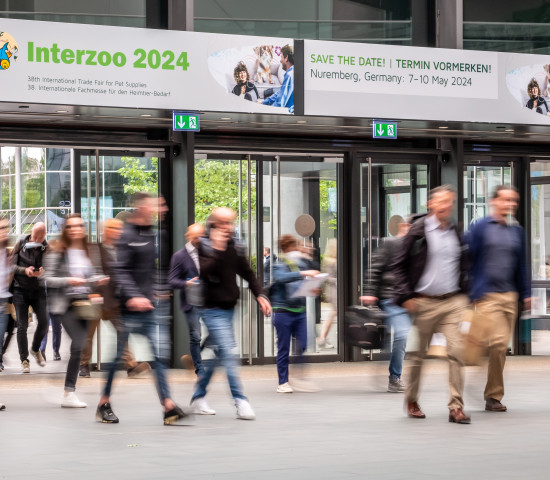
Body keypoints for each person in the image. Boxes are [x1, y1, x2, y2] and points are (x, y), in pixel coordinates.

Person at [96, 192, 188, 425]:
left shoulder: (154, 234)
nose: (162, 208)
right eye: (157, 205)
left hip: (149, 307)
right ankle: (103, 403)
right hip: (128, 307)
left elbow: (149, 269)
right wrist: (135, 296)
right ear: (141, 208)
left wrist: (157, 289)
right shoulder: (127, 235)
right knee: (119, 358)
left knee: (158, 356)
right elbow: (121, 270)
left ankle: (168, 405)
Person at [393, 185, 471, 424]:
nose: (447, 206)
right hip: (424, 303)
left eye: (450, 202)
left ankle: (456, 407)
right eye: (442, 202)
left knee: (457, 353)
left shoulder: (455, 232)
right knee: (418, 356)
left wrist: (466, 293)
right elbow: (398, 266)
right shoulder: (417, 232)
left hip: (452, 301)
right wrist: (406, 296)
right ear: (431, 204)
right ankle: (412, 399)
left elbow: (464, 265)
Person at [189, 207, 271, 419]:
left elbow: (247, 273)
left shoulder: (236, 245)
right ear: (213, 225)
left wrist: (260, 294)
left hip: (228, 309)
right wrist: (217, 248)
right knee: (227, 352)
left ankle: (198, 397)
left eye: (231, 223)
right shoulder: (203, 245)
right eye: (224, 223)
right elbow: (205, 273)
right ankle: (240, 400)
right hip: (210, 309)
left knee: (219, 356)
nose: (229, 227)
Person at [466, 185, 530, 413]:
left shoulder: (517, 231)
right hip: (487, 295)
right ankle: (492, 394)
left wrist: (526, 293)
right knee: (498, 343)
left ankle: (491, 392)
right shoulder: (480, 227)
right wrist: (471, 291)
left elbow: (521, 264)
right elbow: (468, 259)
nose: (511, 205)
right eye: (506, 200)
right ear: (494, 201)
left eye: (514, 201)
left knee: (499, 347)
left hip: (510, 296)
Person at [42, 215, 107, 408]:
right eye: (71, 227)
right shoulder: (58, 251)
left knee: (80, 346)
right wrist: (69, 280)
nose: (75, 229)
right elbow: (47, 279)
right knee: (79, 343)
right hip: (66, 304)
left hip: (85, 303)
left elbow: (93, 273)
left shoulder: (89, 250)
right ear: (66, 229)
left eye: (78, 226)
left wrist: (99, 279)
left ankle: (66, 390)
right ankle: (69, 392)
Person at [79, 218, 151, 378]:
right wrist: (92, 291)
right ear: (106, 230)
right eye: (114, 228)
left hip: (114, 300)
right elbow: (88, 272)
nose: (119, 231)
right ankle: (84, 364)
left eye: (120, 228)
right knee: (88, 335)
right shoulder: (95, 249)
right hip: (96, 299)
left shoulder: (121, 250)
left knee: (122, 331)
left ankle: (131, 365)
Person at [360, 217, 412, 393]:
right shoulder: (390, 244)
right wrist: (369, 291)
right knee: (402, 334)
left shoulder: (419, 248)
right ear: (404, 227)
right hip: (391, 296)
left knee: (397, 336)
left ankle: (392, 364)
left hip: (411, 300)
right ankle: (395, 377)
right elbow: (374, 267)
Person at [271, 234, 320, 393]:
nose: (297, 250)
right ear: (287, 248)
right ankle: (283, 382)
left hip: (300, 311)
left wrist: (313, 286)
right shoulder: (279, 264)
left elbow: (313, 272)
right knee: (283, 348)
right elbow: (281, 278)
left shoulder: (300, 264)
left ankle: (299, 376)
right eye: (294, 247)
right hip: (283, 311)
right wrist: (303, 274)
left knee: (304, 343)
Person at [168, 223, 205, 379]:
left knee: (215, 333)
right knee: (196, 336)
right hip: (191, 302)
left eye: (202, 235)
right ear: (188, 236)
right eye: (197, 236)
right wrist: (187, 283)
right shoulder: (179, 256)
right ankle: (199, 369)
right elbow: (171, 281)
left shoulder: (207, 252)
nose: (200, 239)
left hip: (209, 300)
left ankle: (193, 358)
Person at [11, 221, 49, 373]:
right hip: (20, 289)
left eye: (41, 236)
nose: (38, 239)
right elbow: (11, 265)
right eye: (36, 236)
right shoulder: (20, 244)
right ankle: (24, 360)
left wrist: (43, 271)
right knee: (22, 325)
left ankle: (35, 349)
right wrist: (24, 270)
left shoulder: (47, 248)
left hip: (38, 289)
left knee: (44, 322)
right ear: (31, 232)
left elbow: (51, 266)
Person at [259, 44, 294, 112]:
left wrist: (266, 111)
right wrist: (263, 102)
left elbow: (280, 104)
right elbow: (280, 93)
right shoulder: (291, 73)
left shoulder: (290, 75)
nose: (280, 61)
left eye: (281, 57)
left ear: (286, 58)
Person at [318, 239, 337, 349]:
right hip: (334, 291)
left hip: (333, 290)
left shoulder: (330, 259)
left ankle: (323, 338)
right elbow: (328, 277)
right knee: (333, 313)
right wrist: (338, 280)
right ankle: (322, 338)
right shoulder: (331, 261)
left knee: (334, 313)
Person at [0, 219, 12, 379]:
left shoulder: (7, 253)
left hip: (4, 301)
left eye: (6, 228)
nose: (4, 231)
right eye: (1, 228)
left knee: (2, 335)